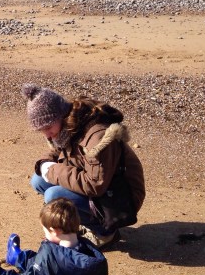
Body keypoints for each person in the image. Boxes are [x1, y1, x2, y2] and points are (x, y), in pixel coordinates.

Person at [22, 83, 145, 248]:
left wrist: (51, 171)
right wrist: (43, 164)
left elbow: (94, 185)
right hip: (103, 189)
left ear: (60, 115)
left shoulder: (97, 137)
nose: (47, 135)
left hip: (121, 198)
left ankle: (105, 233)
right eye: (41, 130)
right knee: (38, 180)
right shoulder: (67, 128)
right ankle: (83, 222)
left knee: (53, 195)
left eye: (48, 127)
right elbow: (57, 152)